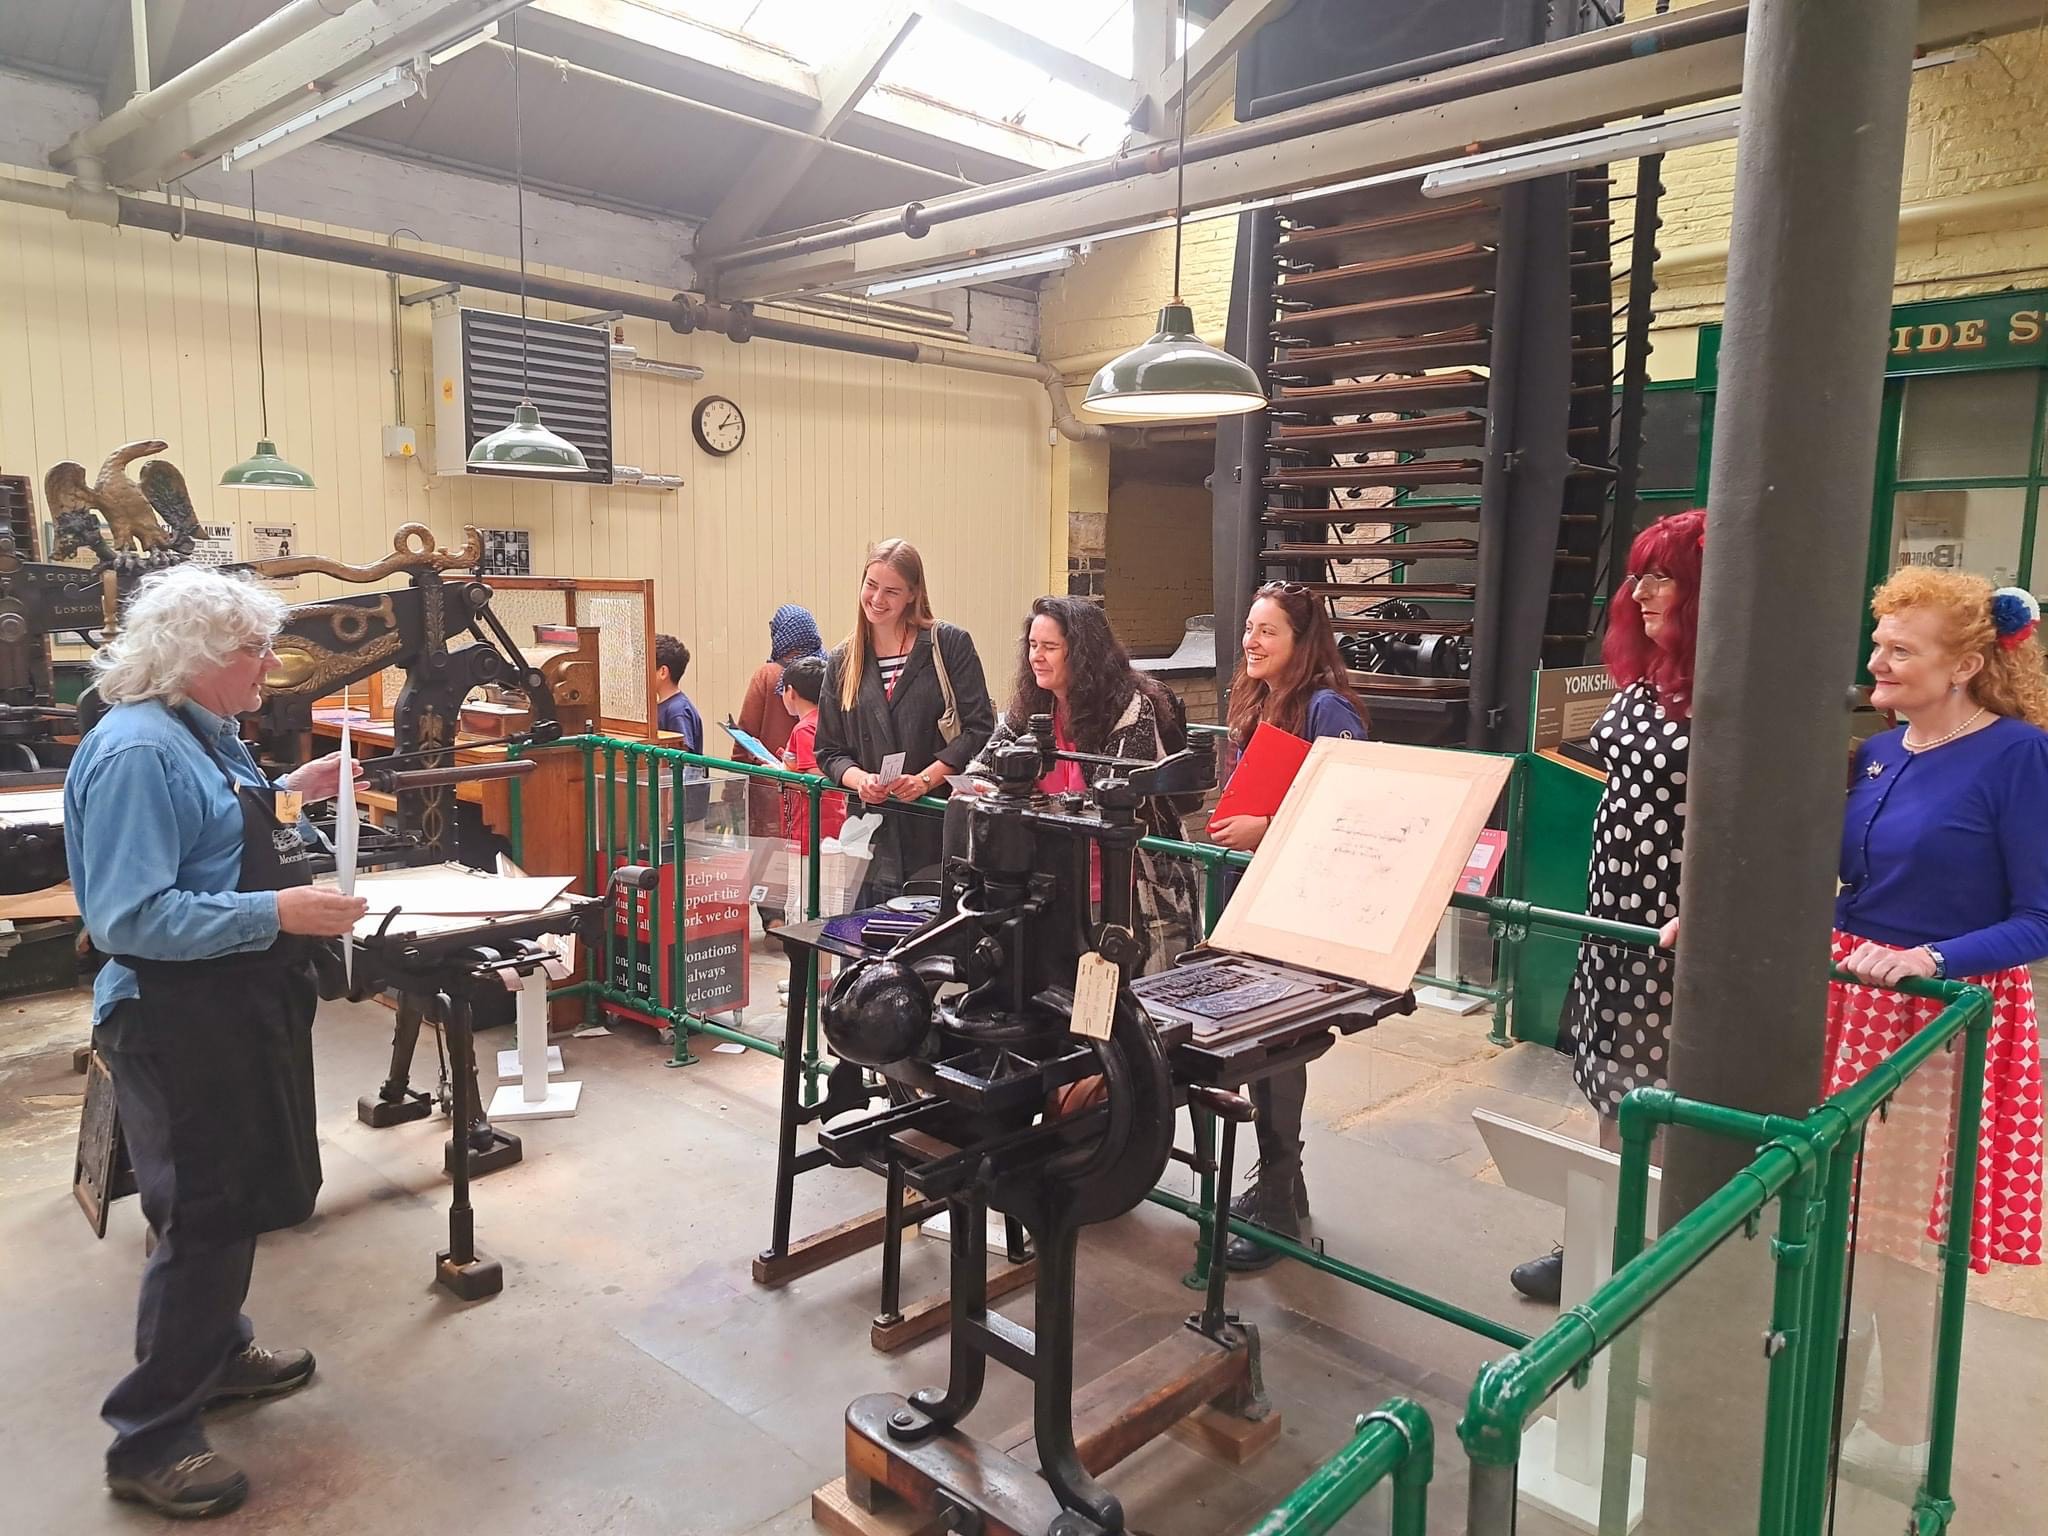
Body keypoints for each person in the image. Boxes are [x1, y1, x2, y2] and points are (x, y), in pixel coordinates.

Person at [63, 564, 369, 1519]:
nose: (271, 665)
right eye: (254, 650)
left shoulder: (203, 733)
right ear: (193, 657)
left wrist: (293, 789)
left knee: (227, 1197)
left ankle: (219, 1354)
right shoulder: (137, 753)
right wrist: (279, 911)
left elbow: (214, 833)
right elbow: (129, 917)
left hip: (226, 1002)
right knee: (202, 1217)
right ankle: (149, 1437)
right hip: (169, 1017)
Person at [1824, 567, 2048, 1481]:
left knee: (1900, 1241)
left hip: (1938, 1025)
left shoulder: (2018, 755)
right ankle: (1833, 1406)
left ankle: (1904, 1428)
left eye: (1899, 648)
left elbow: (2040, 918)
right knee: (1841, 1226)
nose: (1877, 659)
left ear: (1963, 666)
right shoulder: (1882, 749)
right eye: (1878, 641)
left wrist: (1933, 958)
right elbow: (1854, 892)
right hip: (1853, 1007)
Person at [1509, 507, 1705, 1304]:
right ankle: (1600, 1238)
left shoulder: (1732, 691)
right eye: (1640, 576)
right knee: (1611, 1076)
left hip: (1673, 921)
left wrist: (1709, 911)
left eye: (1664, 577)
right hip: (1613, 911)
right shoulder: (1650, 678)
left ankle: (1648, 1252)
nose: (1642, 592)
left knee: (1661, 1087)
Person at [1208, 581, 1368, 1269]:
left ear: (1302, 642)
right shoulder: (1258, 701)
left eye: (1268, 631)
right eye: (1249, 628)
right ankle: (1283, 1187)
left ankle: (1277, 1203)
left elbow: (1350, 808)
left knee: (1280, 1048)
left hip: (1297, 907)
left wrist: (1265, 827)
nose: (1252, 641)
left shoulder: (1329, 708)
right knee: (1262, 1047)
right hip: (1254, 896)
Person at [958, 596, 1202, 974]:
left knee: (1119, 991)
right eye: (1032, 645)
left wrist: (1022, 801)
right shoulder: (1033, 704)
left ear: (1084, 654)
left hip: (1127, 885)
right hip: (1054, 881)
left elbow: (1110, 798)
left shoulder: (1131, 707)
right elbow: (981, 767)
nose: (1036, 657)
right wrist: (983, 788)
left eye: (1050, 647)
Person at [814, 538, 995, 904]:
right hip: (870, 836)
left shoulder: (949, 644)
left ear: (913, 594)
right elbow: (828, 750)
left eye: (892, 591)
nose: (877, 599)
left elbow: (979, 727)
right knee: (869, 928)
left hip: (937, 828)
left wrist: (926, 779)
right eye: (871, 585)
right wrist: (861, 780)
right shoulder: (842, 660)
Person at [733, 605, 827, 928]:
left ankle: (774, 920)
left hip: (769, 787)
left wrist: (735, 782)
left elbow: (746, 731)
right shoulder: (826, 670)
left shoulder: (769, 675)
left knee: (769, 853)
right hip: (817, 799)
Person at [654, 633, 708, 823]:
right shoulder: (666, 706)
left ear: (663, 672)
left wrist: (670, 808)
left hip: (684, 808)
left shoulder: (677, 710)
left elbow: (682, 759)